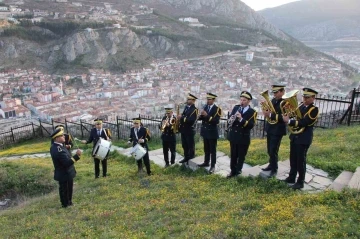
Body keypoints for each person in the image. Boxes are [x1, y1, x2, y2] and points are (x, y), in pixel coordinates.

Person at [282, 88, 319, 189]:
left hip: (304, 138)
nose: (305, 99)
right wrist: (287, 111)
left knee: (300, 160)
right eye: (304, 97)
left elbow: (305, 122)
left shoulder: (313, 110)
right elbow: (294, 115)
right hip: (295, 136)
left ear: (313, 98)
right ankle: (291, 177)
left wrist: (289, 122)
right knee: (293, 158)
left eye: (307, 97)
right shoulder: (301, 106)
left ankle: (300, 181)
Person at [227, 91, 257, 178]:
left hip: (243, 137)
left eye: (244, 100)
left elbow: (251, 125)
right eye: (241, 100)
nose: (242, 102)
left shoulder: (252, 112)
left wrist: (241, 119)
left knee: (241, 156)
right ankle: (232, 171)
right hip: (234, 136)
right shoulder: (236, 108)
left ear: (248, 101)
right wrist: (230, 120)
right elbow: (230, 118)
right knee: (233, 155)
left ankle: (238, 171)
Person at [50, 128, 82, 208]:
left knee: (68, 189)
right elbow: (66, 163)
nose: (64, 136)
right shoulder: (58, 149)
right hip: (64, 173)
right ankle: (66, 204)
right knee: (65, 190)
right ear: (57, 138)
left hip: (66, 173)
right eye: (61, 135)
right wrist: (77, 156)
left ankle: (69, 202)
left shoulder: (59, 146)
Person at [261, 84, 287, 177]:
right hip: (271, 128)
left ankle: (274, 168)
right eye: (274, 92)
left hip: (278, 129)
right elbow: (268, 111)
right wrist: (264, 108)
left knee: (273, 150)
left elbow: (285, 117)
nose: (274, 94)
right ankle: (271, 164)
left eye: (276, 92)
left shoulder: (285, 102)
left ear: (282, 92)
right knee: (269, 149)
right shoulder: (273, 100)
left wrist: (270, 115)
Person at [197, 93, 222, 174]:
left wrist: (206, 115)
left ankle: (213, 166)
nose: (208, 101)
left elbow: (216, 121)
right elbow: (202, 118)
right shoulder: (205, 107)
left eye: (210, 99)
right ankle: (206, 162)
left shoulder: (217, 109)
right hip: (205, 131)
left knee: (212, 150)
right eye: (207, 99)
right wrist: (200, 116)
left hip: (212, 132)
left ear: (213, 100)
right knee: (206, 149)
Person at [178, 93, 199, 164]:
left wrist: (182, 118)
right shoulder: (186, 107)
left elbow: (191, 120)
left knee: (190, 145)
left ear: (193, 101)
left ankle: (191, 158)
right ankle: (186, 157)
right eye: (187, 99)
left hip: (189, 130)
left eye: (189, 99)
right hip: (183, 129)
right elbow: (184, 116)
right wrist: (181, 117)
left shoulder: (194, 110)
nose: (187, 100)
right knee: (184, 145)